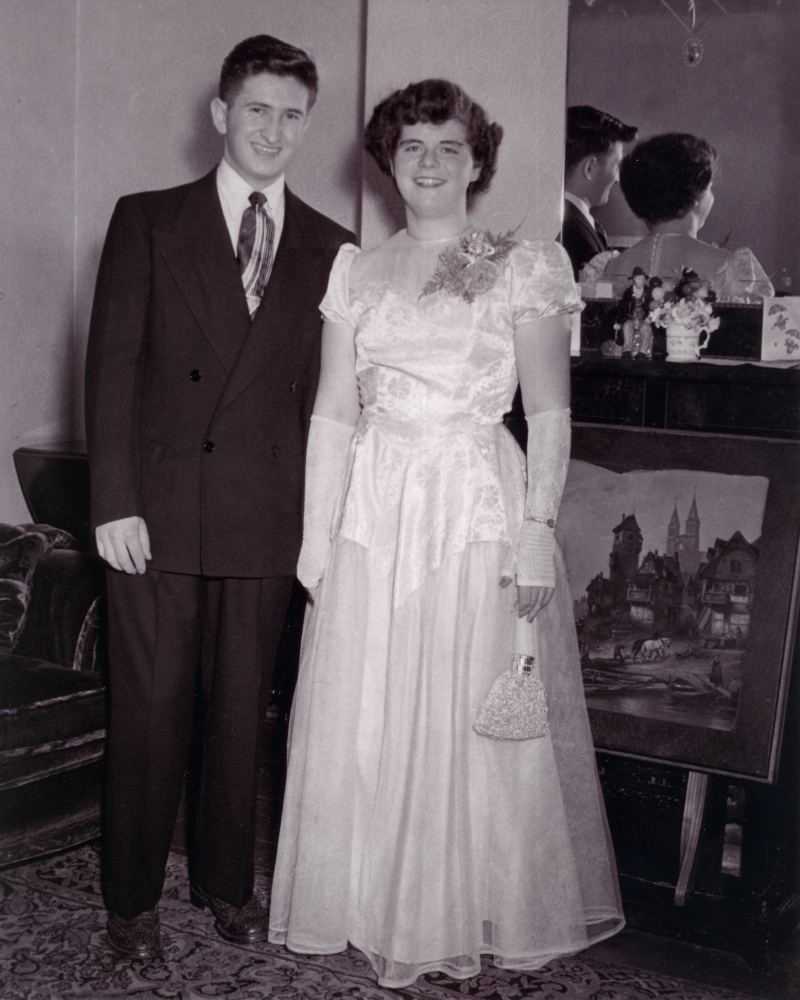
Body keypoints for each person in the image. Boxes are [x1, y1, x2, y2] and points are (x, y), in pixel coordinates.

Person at [268, 79, 624, 989]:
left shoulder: (524, 262)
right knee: (374, 702)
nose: (428, 163)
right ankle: (369, 901)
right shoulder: (356, 268)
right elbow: (333, 415)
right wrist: (316, 538)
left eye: (449, 148)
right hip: (375, 505)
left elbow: (547, 413)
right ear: (389, 161)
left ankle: (461, 907)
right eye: (413, 147)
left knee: (465, 706)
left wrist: (537, 533)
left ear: (477, 162)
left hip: (474, 501)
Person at [84, 35, 354, 960]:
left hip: (265, 515)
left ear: (306, 124)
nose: (273, 131)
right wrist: (112, 500)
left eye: (291, 115)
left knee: (242, 711)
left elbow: (330, 404)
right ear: (220, 115)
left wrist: (327, 526)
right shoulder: (148, 220)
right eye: (256, 111)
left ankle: (226, 886)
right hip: (152, 517)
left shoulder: (332, 245)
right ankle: (131, 908)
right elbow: (110, 369)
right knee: (151, 713)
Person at [580, 133, 774, 302]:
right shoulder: (731, 267)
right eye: (710, 189)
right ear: (697, 195)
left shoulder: (609, 267)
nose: (711, 197)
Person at [559, 105, 638, 278]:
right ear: (589, 168)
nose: (617, 178)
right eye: (615, 165)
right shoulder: (573, 231)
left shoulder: (571, 222)